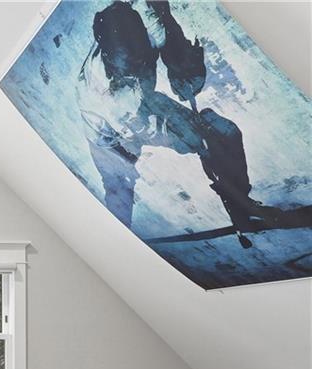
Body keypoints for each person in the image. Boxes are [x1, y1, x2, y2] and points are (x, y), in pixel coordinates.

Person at [76, 0, 277, 247]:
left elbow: (165, 28)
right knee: (119, 186)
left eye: (141, 63)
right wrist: (196, 140)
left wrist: (183, 65)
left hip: (146, 105)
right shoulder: (97, 97)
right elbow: (138, 125)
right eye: (128, 70)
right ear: (107, 57)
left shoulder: (150, 27)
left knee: (224, 134)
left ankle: (240, 203)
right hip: (110, 135)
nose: (138, 70)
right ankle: (114, 243)